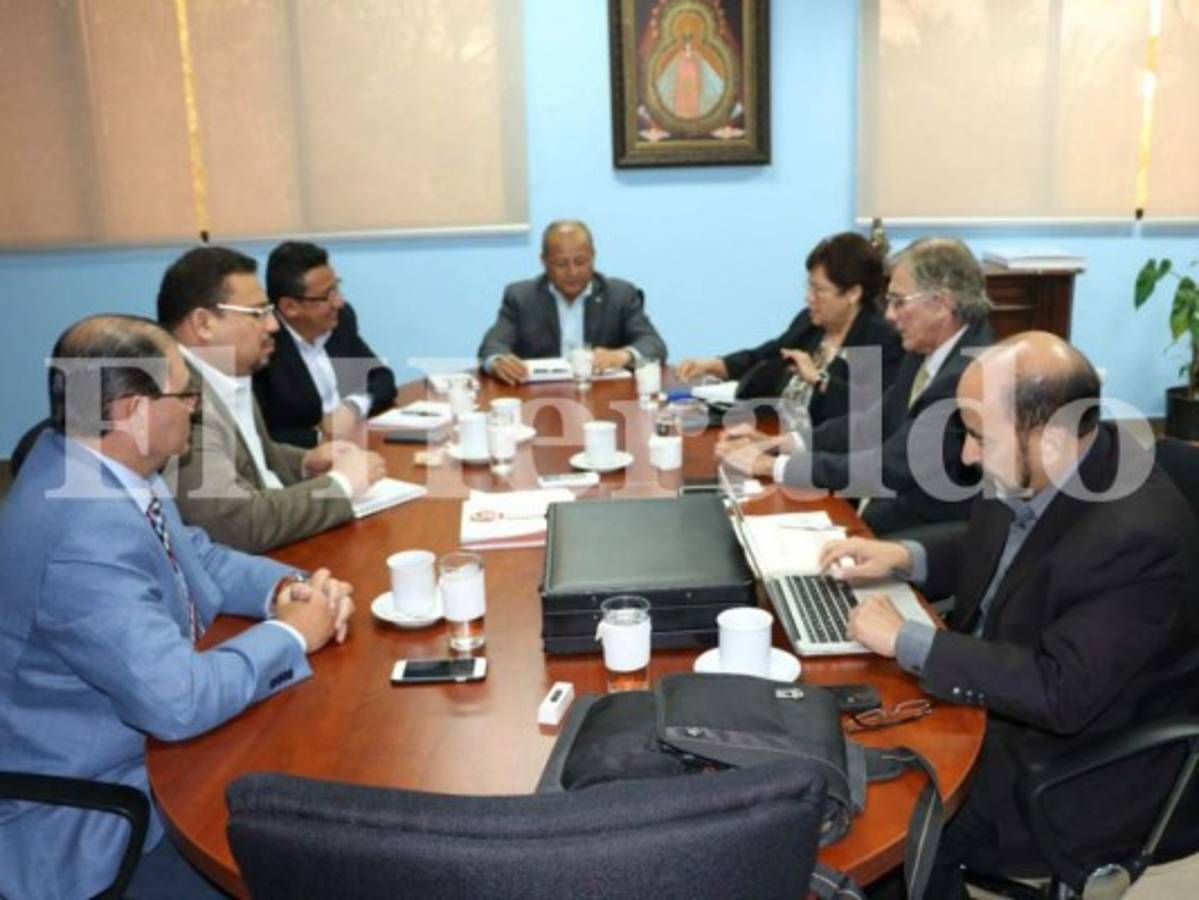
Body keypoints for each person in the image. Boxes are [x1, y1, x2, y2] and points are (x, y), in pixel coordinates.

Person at [820, 332, 1199, 896]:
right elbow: (1002, 547)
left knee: (882, 825)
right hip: (997, 694)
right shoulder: (1043, 463)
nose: (968, 457)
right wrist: (904, 556)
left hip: (1071, 760)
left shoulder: (1136, 537)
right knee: (834, 740)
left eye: (978, 437)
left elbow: (1059, 691)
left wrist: (910, 641)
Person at [0, 315, 356, 899]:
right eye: (185, 394)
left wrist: (288, 589)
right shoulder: (80, 533)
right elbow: (179, 702)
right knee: (306, 865)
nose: (195, 408)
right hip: (106, 812)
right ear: (132, 411)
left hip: (161, 750)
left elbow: (197, 555)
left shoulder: (102, 462)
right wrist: (292, 636)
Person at [717, 237, 993, 534]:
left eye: (899, 301)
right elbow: (872, 423)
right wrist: (783, 443)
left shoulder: (967, 374)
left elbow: (889, 466)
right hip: (882, 507)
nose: (889, 314)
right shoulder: (925, 346)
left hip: (923, 533)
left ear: (941, 304)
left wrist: (773, 466)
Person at [158, 246, 386, 553]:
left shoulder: (229, 370)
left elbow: (252, 458)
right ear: (203, 324)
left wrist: (305, 462)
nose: (273, 325)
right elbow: (238, 522)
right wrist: (342, 485)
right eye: (258, 313)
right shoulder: (180, 402)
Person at [676, 231, 902, 427]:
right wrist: (713, 365)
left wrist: (819, 379)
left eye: (819, 290)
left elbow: (870, 411)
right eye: (809, 287)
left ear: (853, 293)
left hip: (830, 451)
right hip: (777, 431)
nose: (809, 298)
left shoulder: (877, 339)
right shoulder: (810, 323)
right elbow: (765, 355)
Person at [477, 220, 668, 384]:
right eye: (561, 264)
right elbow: (493, 345)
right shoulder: (522, 297)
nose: (572, 272)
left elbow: (653, 344)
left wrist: (623, 355)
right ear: (544, 262)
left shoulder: (620, 295)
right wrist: (498, 361)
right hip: (542, 397)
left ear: (593, 257)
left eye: (580, 261)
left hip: (602, 395)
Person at [253, 240, 397, 448]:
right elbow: (263, 435)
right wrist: (323, 437)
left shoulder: (339, 320)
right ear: (290, 307)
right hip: (305, 459)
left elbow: (381, 378)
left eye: (336, 288)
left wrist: (352, 407)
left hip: (356, 445)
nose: (339, 302)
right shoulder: (263, 345)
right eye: (327, 295)